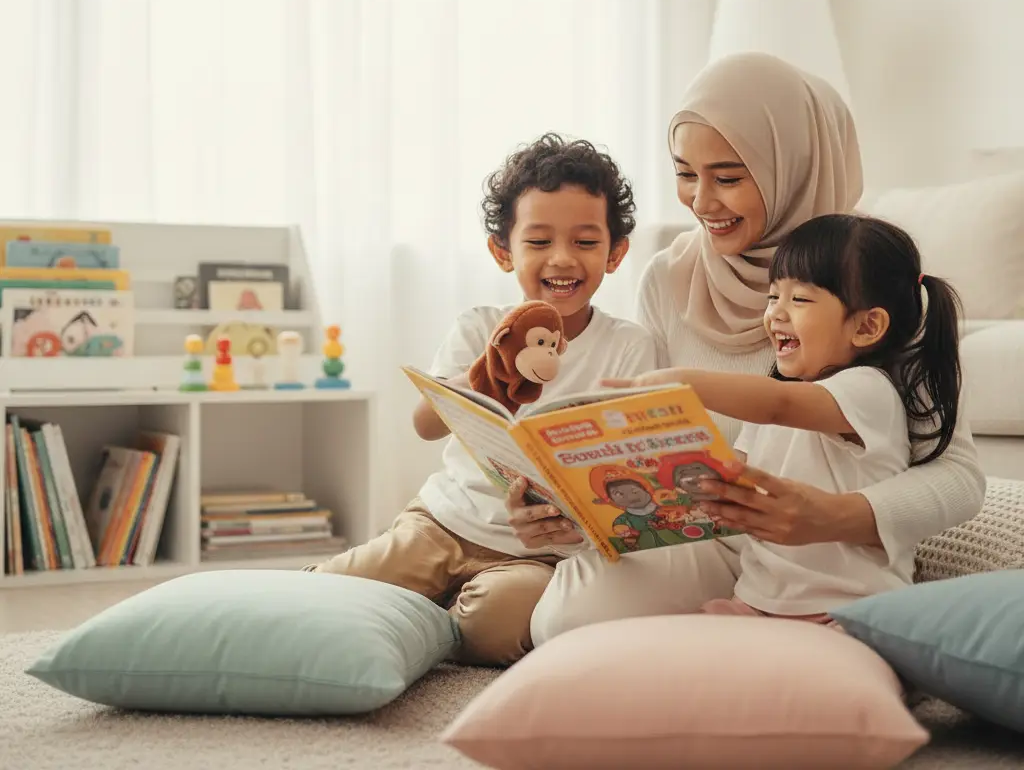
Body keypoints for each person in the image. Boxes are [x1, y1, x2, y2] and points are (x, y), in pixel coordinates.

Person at [509, 53, 985, 644]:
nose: (701, 201)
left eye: (728, 177)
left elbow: (961, 476)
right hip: (708, 537)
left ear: (791, 167)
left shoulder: (877, 283)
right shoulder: (669, 278)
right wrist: (574, 517)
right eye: (686, 173)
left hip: (826, 560)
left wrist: (830, 517)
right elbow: (646, 453)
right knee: (562, 623)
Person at [305, 133, 658, 666]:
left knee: (497, 629)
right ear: (502, 252)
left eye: (585, 242)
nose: (561, 259)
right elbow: (426, 425)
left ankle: (428, 613)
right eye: (538, 242)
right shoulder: (478, 327)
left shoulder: (630, 346)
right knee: (328, 596)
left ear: (615, 254)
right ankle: (414, 599)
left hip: (538, 552)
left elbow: (630, 466)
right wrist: (493, 367)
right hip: (444, 522)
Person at [606, 212, 963, 625]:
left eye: (800, 299)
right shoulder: (769, 403)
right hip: (757, 602)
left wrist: (679, 382)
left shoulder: (870, 391)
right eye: (774, 296)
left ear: (866, 326)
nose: (775, 313)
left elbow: (780, 404)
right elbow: (733, 473)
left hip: (846, 610)